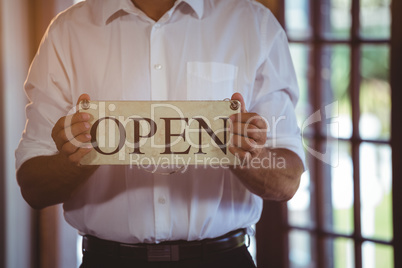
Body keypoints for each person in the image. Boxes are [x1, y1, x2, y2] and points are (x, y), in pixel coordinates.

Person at [15, 0, 305, 267]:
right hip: (107, 260)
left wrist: (245, 153)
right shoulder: (68, 31)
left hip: (224, 259)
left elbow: (288, 180)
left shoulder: (253, 24)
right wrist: (75, 159)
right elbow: (33, 187)